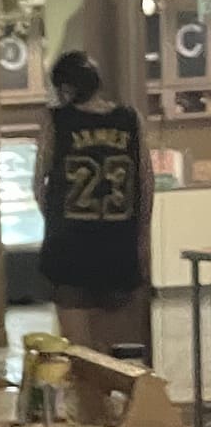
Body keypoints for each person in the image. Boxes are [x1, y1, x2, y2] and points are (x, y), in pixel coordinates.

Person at [34, 50, 152, 354]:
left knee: (78, 353)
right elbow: (145, 184)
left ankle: (87, 402)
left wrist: (57, 219)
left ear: (66, 88)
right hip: (117, 245)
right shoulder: (130, 119)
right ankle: (104, 402)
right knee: (105, 355)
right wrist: (140, 237)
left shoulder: (56, 121)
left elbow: (38, 183)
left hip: (69, 248)